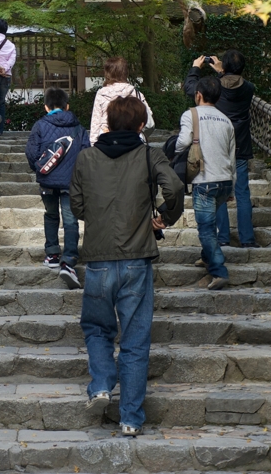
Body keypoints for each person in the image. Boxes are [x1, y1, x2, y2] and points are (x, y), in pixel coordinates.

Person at [69, 96, 183, 437]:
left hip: (100, 259)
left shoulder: (86, 158)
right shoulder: (150, 155)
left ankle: (102, 383)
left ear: (107, 124)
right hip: (137, 259)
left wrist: (100, 218)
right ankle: (131, 419)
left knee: (96, 328)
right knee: (134, 340)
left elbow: (76, 204)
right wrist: (163, 216)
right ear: (139, 126)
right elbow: (175, 186)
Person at [185, 50, 257, 247]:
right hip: (240, 144)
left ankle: (223, 237)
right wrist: (222, 71)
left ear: (224, 67)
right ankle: (247, 239)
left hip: (217, 144)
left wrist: (195, 68)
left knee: (219, 190)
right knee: (242, 192)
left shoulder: (216, 87)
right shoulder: (249, 88)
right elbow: (231, 85)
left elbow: (192, 88)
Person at [176, 75, 237, 290]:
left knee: (206, 229)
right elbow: (232, 158)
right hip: (224, 181)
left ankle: (219, 270)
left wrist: (173, 153)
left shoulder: (191, 114)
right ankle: (206, 255)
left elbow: (183, 142)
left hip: (204, 181)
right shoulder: (226, 120)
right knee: (210, 224)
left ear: (198, 95)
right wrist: (232, 188)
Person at [24, 87, 89, 288]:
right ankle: (69, 259)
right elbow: (87, 153)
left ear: (46, 107)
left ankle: (52, 253)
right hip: (71, 183)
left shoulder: (40, 126)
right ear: (67, 106)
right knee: (71, 221)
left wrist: (40, 169)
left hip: (48, 182)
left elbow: (31, 153)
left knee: (51, 216)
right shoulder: (78, 128)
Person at [88, 56, 155, 142]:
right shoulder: (134, 92)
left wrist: (94, 144)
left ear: (107, 73)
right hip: (132, 137)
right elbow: (148, 116)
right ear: (126, 72)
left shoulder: (101, 94)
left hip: (107, 138)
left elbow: (95, 123)